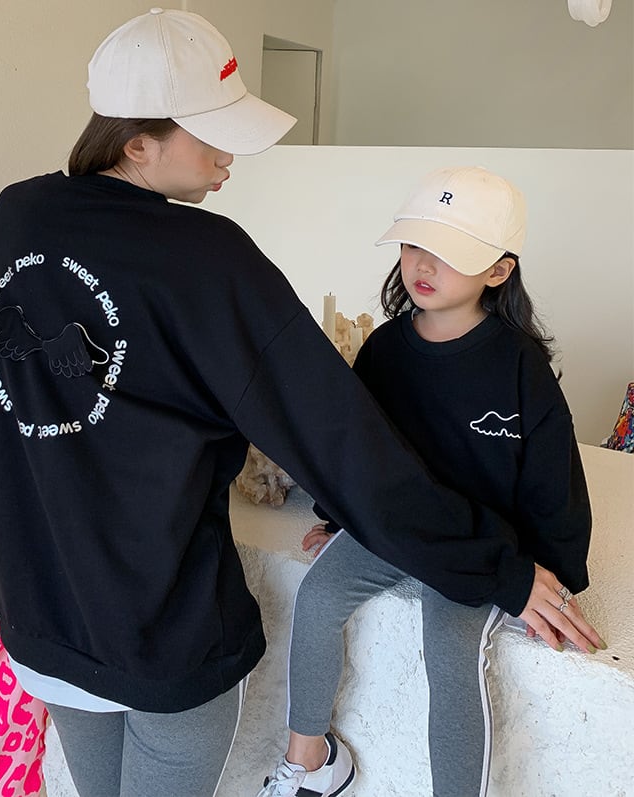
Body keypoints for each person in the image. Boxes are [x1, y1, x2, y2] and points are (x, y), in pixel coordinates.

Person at [0, 8, 601, 795]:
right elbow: (344, 444)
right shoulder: (207, 257)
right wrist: (499, 567)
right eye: (212, 133)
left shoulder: (17, 215)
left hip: (40, 609)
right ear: (136, 143)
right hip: (159, 628)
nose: (230, 154)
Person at [257, 166, 607, 797]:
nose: (422, 263)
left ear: (498, 271)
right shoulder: (384, 350)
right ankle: (309, 762)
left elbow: (554, 482)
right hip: (398, 530)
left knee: (449, 656)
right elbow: (359, 451)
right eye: (415, 242)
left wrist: (550, 576)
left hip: (482, 545)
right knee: (316, 599)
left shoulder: (520, 365)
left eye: (449, 252)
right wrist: (341, 519)